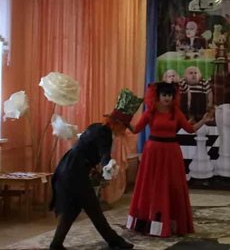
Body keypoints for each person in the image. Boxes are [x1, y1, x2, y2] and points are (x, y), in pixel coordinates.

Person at [49, 88, 143, 250]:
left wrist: (99, 166)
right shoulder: (105, 134)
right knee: (94, 209)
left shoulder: (96, 126)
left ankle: (56, 244)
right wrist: (108, 165)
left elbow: (88, 146)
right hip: (75, 171)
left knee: (72, 209)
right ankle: (114, 241)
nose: (124, 131)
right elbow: (104, 153)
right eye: (124, 127)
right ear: (118, 124)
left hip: (67, 166)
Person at [126, 82, 213, 237]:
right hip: (153, 153)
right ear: (158, 96)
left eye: (170, 95)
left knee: (172, 185)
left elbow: (190, 129)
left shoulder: (176, 112)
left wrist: (203, 121)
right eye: (164, 95)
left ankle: (171, 223)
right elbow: (136, 129)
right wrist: (123, 120)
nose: (167, 98)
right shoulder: (150, 112)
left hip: (171, 152)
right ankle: (149, 222)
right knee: (151, 185)